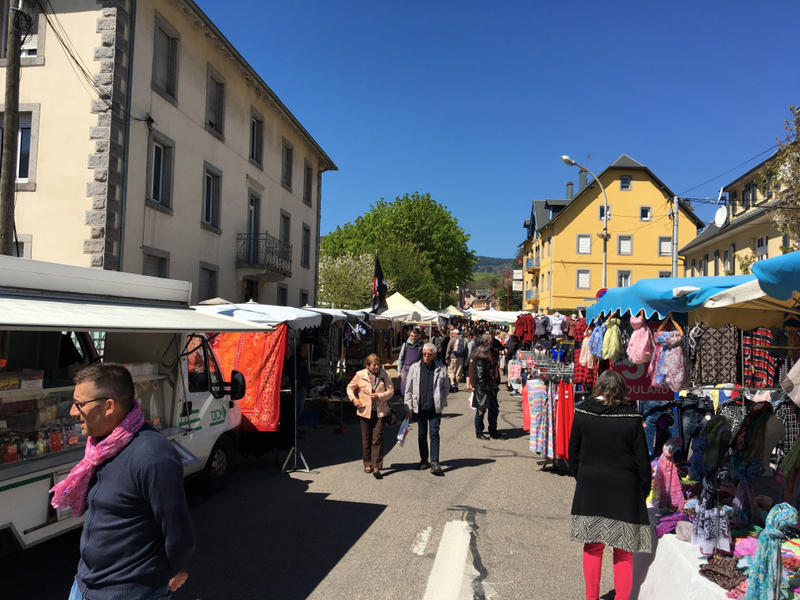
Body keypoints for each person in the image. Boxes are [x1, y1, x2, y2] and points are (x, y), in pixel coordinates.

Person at [55, 364, 194, 600]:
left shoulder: (152, 455)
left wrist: (167, 575)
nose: (72, 412)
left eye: (80, 404)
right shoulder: (101, 447)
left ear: (109, 406)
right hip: (84, 586)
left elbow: (179, 534)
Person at [568, 370, 652, 600]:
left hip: (591, 485)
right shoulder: (631, 417)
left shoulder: (583, 411)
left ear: (598, 387)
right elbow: (642, 460)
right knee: (623, 550)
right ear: (621, 390)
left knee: (592, 546)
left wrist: (582, 477)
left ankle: (591, 597)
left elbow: (572, 452)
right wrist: (644, 489)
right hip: (624, 489)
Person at [404, 343, 449, 476]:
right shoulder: (414, 368)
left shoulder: (441, 368)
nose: (427, 356)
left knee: (434, 433)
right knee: (421, 435)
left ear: (434, 355)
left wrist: (442, 400)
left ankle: (434, 461)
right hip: (420, 408)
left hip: (434, 408)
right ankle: (424, 459)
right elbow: (408, 389)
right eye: (424, 354)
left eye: (429, 354)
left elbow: (446, 387)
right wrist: (408, 406)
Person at [347, 354, 394, 479]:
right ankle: (367, 463)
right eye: (374, 365)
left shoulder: (385, 374)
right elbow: (349, 388)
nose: (377, 367)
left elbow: (391, 391)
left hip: (380, 411)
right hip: (364, 411)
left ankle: (376, 465)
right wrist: (354, 400)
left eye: (378, 364)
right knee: (366, 438)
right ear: (368, 366)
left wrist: (379, 396)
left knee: (376, 438)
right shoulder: (360, 375)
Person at [397, 327, 423, 396]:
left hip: (416, 370)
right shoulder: (405, 345)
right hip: (406, 370)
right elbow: (400, 358)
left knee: (415, 391)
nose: (413, 338)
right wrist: (399, 372)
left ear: (419, 336)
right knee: (405, 390)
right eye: (412, 336)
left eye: (415, 336)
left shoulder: (421, 346)